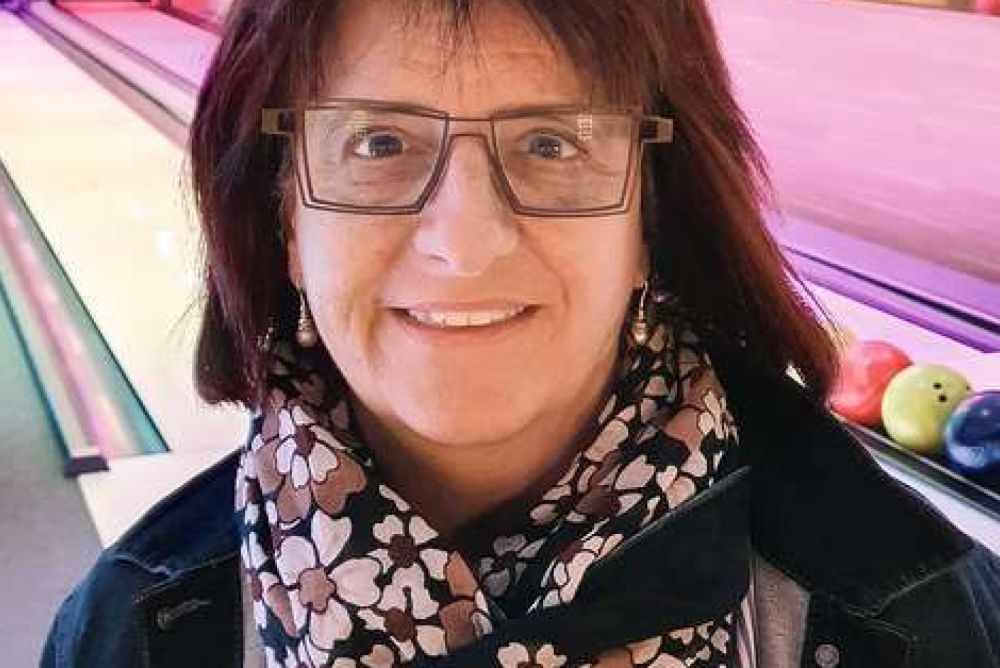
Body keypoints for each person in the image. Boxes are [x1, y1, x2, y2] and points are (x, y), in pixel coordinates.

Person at [43, 0, 1000, 666]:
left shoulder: (916, 612)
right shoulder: (129, 630)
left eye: (551, 144)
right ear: (284, 220)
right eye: (379, 142)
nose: (464, 244)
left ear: (650, 222)